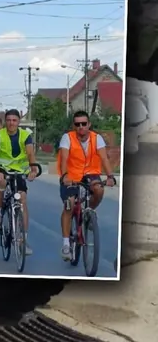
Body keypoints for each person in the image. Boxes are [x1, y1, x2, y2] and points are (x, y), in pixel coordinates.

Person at [58, 110, 117, 261]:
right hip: (70, 176)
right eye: (77, 124)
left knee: (99, 190)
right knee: (69, 204)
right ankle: (66, 244)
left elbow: (104, 158)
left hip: (91, 173)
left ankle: (88, 213)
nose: (81, 127)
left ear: (89, 124)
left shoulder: (96, 138)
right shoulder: (67, 138)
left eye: (84, 124)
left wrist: (110, 176)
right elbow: (64, 158)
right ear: (74, 125)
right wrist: (65, 176)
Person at [0, 109, 38, 255]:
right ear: (5, 121)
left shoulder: (25, 135)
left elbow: (30, 153)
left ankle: (23, 240)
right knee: (1, 183)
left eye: (14, 120)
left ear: (18, 122)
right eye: (9, 120)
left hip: (19, 171)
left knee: (22, 199)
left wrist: (33, 169)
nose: (11, 123)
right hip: (3, 169)